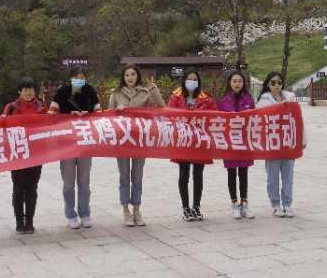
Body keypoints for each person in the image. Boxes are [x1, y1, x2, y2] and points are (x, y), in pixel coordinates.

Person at [107, 64, 165, 226]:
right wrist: (116, 111)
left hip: (140, 140)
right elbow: (107, 116)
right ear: (123, 78)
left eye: (133, 74)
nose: (130, 77)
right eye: (127, 75)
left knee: (137, 175)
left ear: (137, 76)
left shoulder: (145, 92)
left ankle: (137, 209)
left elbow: (161, 107)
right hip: (123, 140)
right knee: (124, 175)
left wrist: (154, 89)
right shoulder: (116, 94)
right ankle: (125, 210)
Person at [49, 66, 100, 229]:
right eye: (76, 77)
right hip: (67, 143)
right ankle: (70, 214)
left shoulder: (90, 91)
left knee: (84, 182)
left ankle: (85, 213)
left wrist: (88, 115)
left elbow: (100, 114)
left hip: (85, 142)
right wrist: (67, 116)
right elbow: (52, 114)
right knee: (69, 182)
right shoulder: (62, 92)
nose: (79, 79)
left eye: (82, 77)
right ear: (70, 78)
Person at [166, 69, 216, 222]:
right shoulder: (176, 97)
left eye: (195, 79)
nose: (192, 82)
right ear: (184, 80)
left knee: (198, 175)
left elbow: (215, 115)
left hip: (200, 142)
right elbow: (169, 115)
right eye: (190, 79)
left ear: (198, 82)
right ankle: (185, 207)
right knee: (184, 174)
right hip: (183, 141)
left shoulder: (206, 99)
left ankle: (196, 206)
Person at [256, 71, 306, 218]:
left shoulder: (290, 99)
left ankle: (288, 204)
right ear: (268, 84)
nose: (276, 85)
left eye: (279, 82)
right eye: (273, 83)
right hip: (272, 145)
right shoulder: (262, 101)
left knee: (288, 176)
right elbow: (257, 122)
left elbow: (298, 121)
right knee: (272, 176)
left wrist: (302, 140)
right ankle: (276, 204)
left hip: (288, 143)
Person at [2, 77, 46, 234]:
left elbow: (50, 125)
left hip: (36, 153)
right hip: (17, 153)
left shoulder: (41, 106)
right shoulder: (11, 107)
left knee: (32, 189)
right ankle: (19, 222)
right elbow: (2, 126)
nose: (28, 92)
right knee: (18, 189)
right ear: (19, 91)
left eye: (31, 89)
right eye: (25, 89)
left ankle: (30, 222)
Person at [217, 70, 256, 220]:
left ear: (243, 83)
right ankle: (234, 204)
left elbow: (254, 119)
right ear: (229, 83)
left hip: (244, 142)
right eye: (234, 81)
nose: (237, 84)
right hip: (230, 143)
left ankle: (244, 203)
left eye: (239, 81)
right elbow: (219, 121)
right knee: (232, 173)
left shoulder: (249, 100)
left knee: (244, 173)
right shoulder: (223, 101)